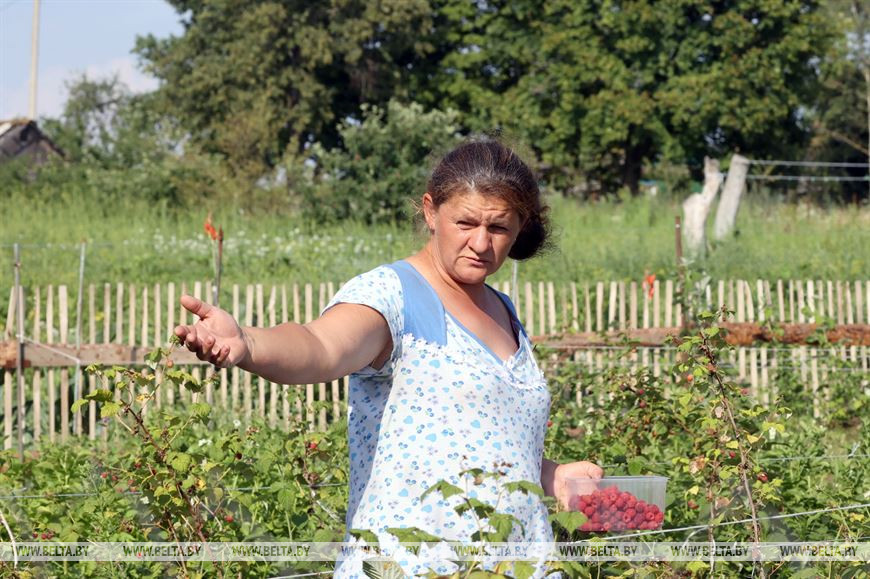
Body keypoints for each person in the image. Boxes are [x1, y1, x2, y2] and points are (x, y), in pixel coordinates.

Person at [174, 137, 603, 577]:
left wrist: (549, 475)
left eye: (498, 228)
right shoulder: (392, 295)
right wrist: (249, 343)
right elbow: (321, 345)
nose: (480, 243)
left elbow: (482, 442)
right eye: (465, 222)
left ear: (520, 226)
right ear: (431, 211)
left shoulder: (504, 310)